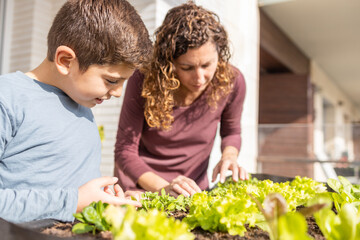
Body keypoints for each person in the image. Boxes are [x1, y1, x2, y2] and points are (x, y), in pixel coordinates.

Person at [0, 0, 152, 223]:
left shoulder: (81, 104)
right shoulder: (8, 98)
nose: (119, 92)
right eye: (111, 80)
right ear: (65, 60)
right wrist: (73, 202)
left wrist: (104, 200)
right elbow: (72, 200)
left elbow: (73, 191)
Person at [114, 1, 248, 197]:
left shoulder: (232, 81)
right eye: (187, 68)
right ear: (169, 63)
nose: (200, 78)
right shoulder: (144, 78)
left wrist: (229, 156)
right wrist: (165, 189)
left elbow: (232, 131)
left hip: (193, 193)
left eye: (207, 65)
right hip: (142, 189)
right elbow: (125, 151)